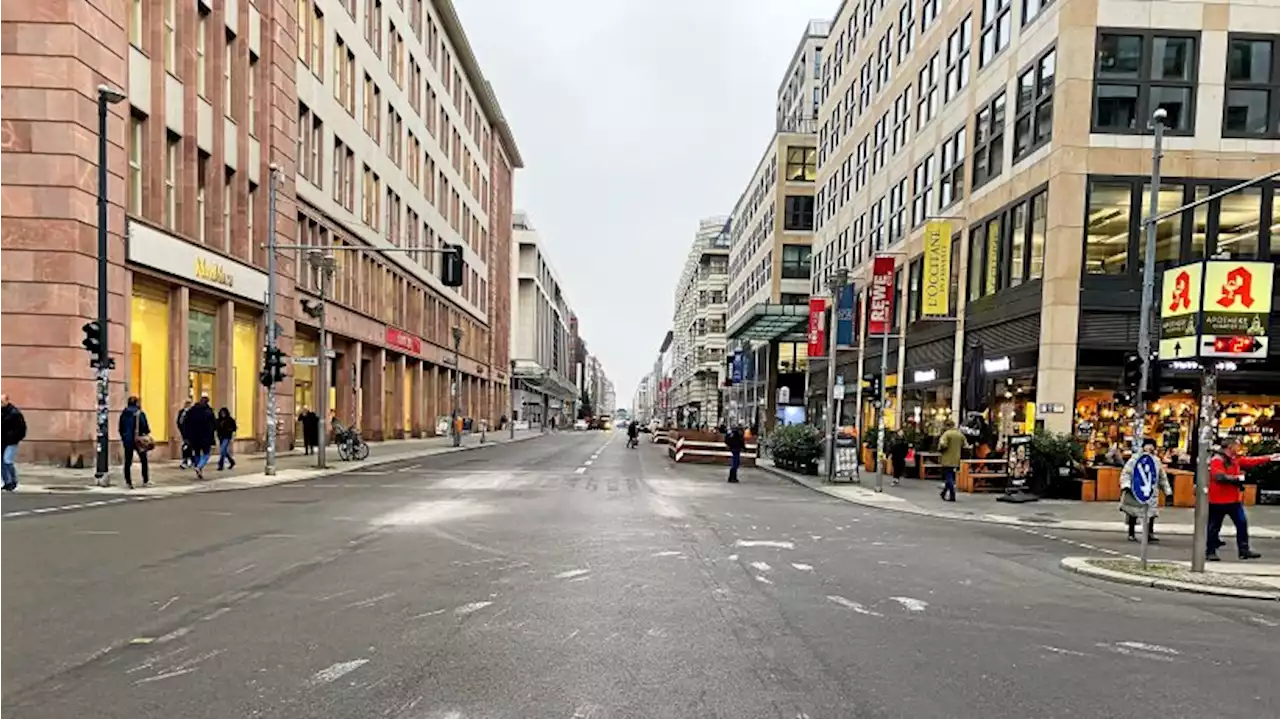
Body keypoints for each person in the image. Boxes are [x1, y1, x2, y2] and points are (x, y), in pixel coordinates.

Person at [1206, 439, 1280, 561]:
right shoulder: (1217, 460)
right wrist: (1237, 479)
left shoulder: (1233, 459)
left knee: (1241, 524)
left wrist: (1269, 458)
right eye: (1237, 446)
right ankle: (1210, 551)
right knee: (1214, 526)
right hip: (1218, 499)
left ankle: (1243, 550)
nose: (1239, 448)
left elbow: (1250, 461)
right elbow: (1219, 477)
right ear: (1230, 446)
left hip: (1233, 499)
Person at [1118, 438, 1172, 542]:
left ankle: (1149, 533)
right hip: (1136, 489)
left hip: (1151, 491)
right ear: (1143, 447)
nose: (1150, 447)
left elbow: (1162, 477)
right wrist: (1126, 485)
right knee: (1133, 512)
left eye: (1152, 446)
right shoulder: (1135, 459)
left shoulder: (1156, 461)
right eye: (1148, 445)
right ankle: (1131, 533)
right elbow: (1126, 473)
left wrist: (1167, 490)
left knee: (1151, 513)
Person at [118, 395, 151, 489]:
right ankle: (145, 480)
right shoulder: (140, 413)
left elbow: (120, 428)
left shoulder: (124, 414)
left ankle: (128, 482)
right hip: (139, 440)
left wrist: (124, 437)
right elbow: (145, 427)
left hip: (127, 440)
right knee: (143, 460)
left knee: (128, 461)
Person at [182, 396, 216, 479]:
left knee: (197, 453)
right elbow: (214, 425)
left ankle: (198, 468)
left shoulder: (191, 411)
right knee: (206, 453)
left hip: (194, 437)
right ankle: (199, 466)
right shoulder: (209, 412)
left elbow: (185, 424)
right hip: (205, 436)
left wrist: (186, 436)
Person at [0, 394, 27, 491]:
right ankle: (7, 482)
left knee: (7, 461)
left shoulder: (14, 413)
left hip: (11, 441)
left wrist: (14, 438)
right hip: (1, 440)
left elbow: (21, 429)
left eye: (1, 402)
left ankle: (13, 480)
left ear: (7, 401)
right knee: (1, 463)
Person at [938, 419, 966, 502]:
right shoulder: (960, 434)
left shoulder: (946, 434)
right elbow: (965, 445)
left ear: (947, 426)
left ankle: (952, 494)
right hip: (956, 458)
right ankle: (944, 492)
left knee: (948, 476)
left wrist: (940, 449)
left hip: (947, 458)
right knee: (950, 475)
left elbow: (943, 444)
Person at [176, 399, 193, 469]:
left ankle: (187, 460)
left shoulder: (192, 412)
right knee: (186, 446)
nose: (187, 405)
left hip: (191, 433)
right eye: (186, 403)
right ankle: (187, 460)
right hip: (184, 432)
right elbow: (178, 421)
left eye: (188, 403)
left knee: (187, 446)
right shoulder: (181, 412)